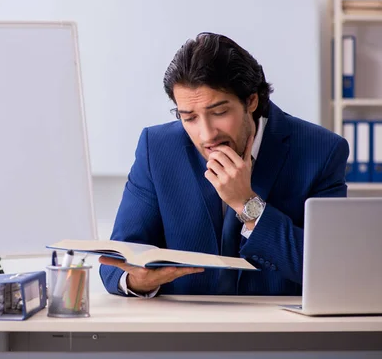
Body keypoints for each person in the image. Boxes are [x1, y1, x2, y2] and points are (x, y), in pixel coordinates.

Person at [99, 32, 349, 297]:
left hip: (280, 328)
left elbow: (329, 270)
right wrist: (139, 280)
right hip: (184, 327)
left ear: (251, 100)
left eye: (219, 113)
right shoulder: (157, 148)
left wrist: (247, 204)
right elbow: (115, 264)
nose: (206, 135)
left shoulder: (322, 151)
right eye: (189, 117)